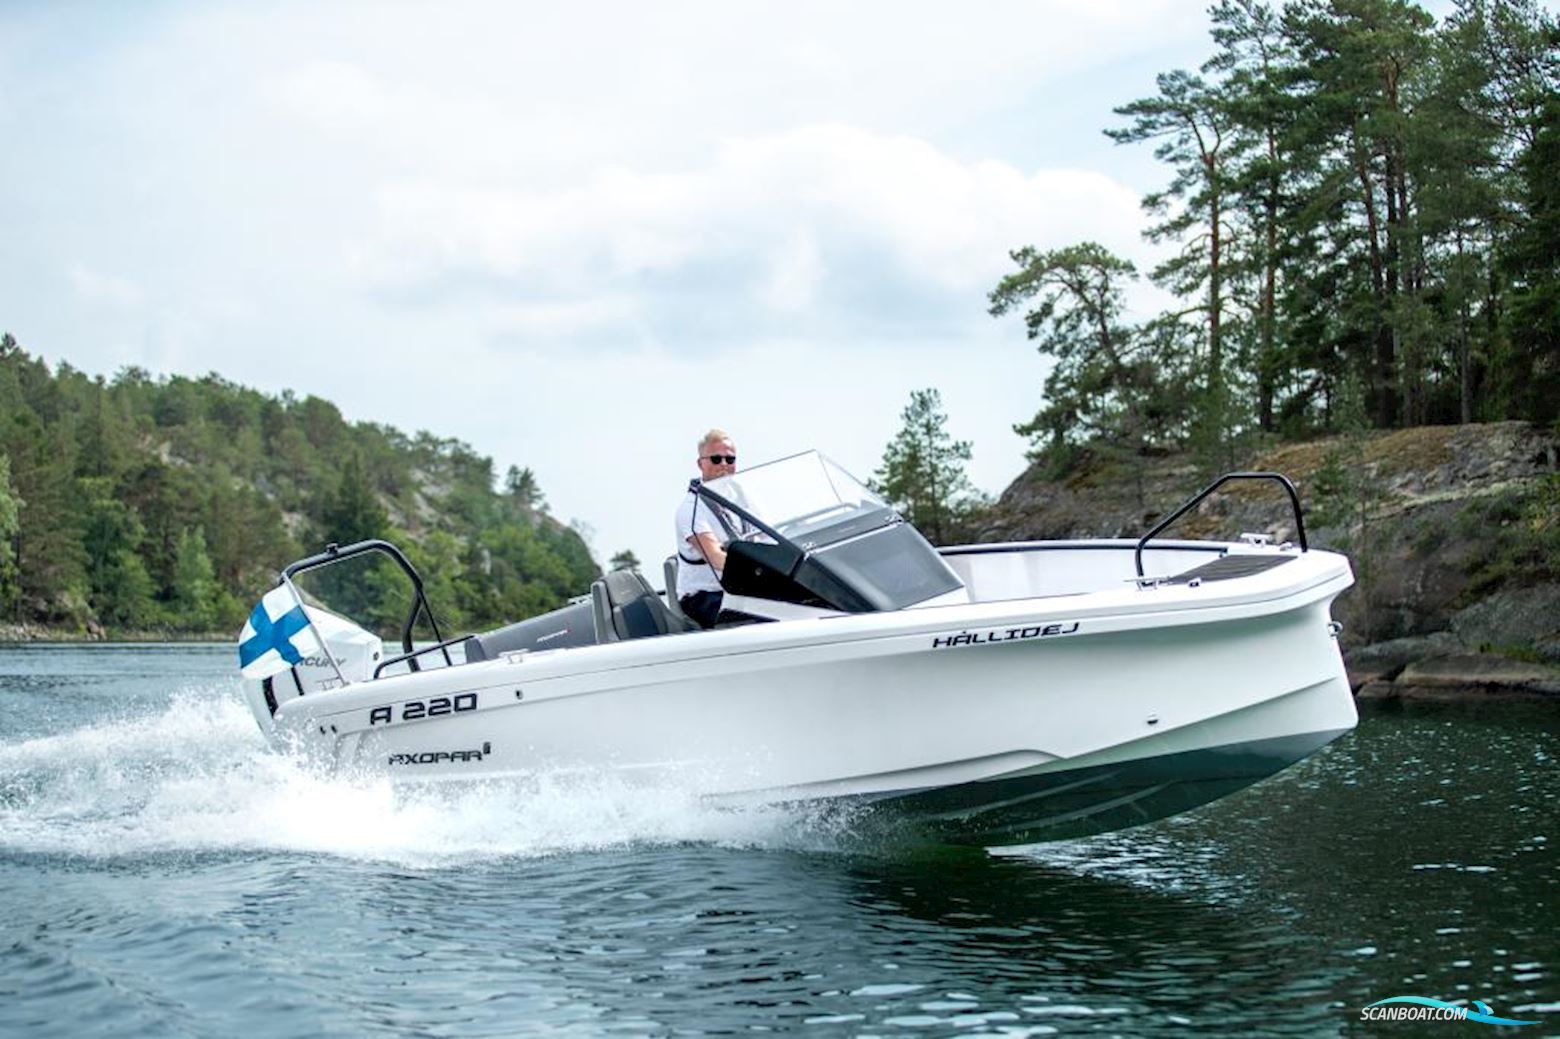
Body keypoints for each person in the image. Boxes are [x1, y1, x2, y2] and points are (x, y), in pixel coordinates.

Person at [674, 429, 738, 628]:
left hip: (736, 589)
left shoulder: (741, 496)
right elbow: (716, 558)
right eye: (716, 459)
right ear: (701, 463)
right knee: (760, 620)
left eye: (730, 459)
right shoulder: (691, 509)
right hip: (704, 596)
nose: (724, 465)